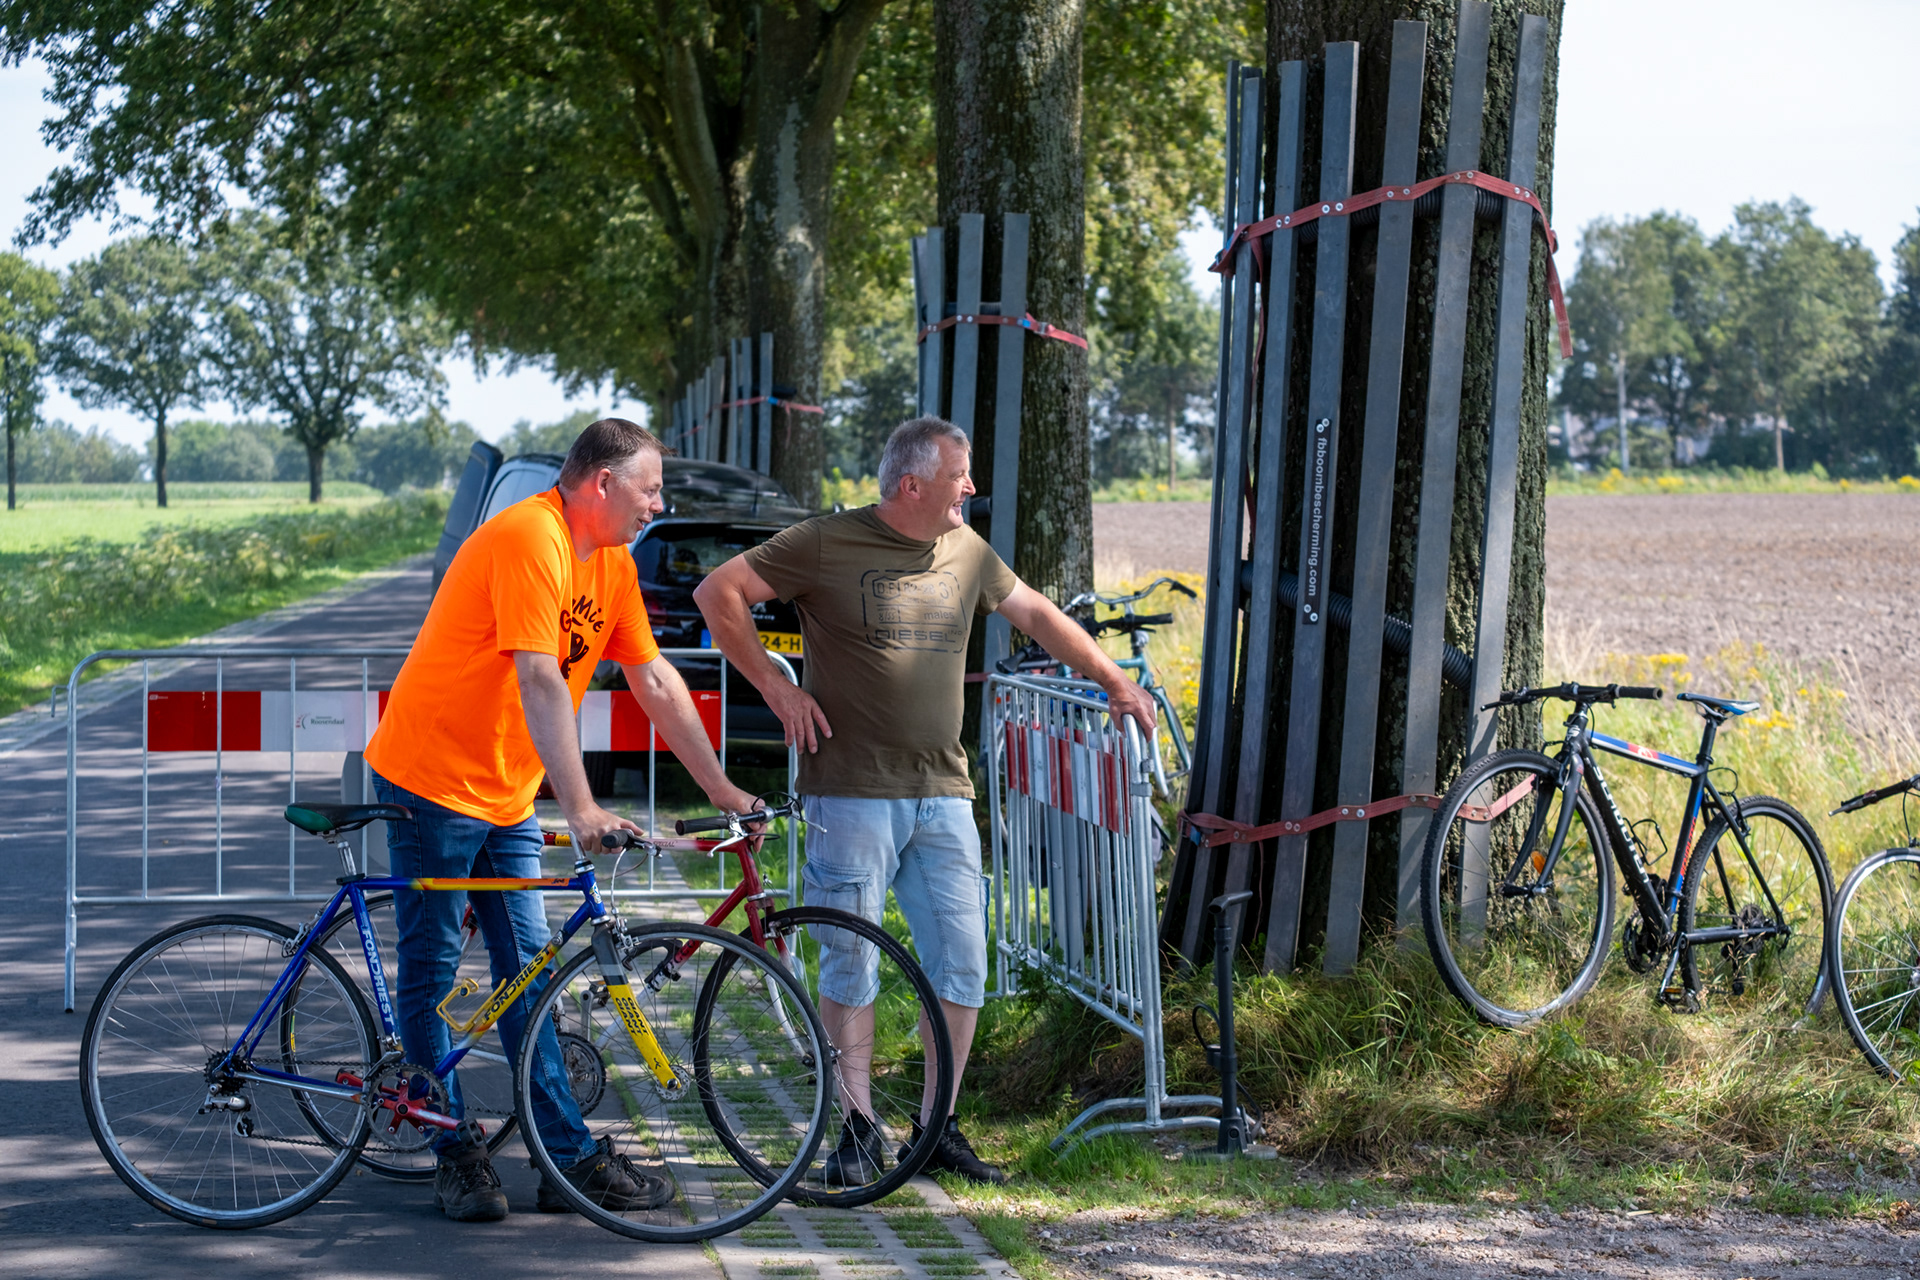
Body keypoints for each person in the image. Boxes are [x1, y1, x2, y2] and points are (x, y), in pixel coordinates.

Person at [693, 415, 1155, 1186]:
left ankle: (934, 1127)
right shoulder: (825, 542)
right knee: (850, 961)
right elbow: (720, 592)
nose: (970, 489)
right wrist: (776, 686)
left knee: (963, 964)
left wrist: (1113, 680)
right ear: (912, 483)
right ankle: (856, 1128)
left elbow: (1035, 612)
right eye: (958, 476)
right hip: (850, 792)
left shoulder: (967, 551)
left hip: (944, 792)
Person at [363, 418, 760, 1222]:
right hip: (432, 782)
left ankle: (564, 1158)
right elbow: (541, 677)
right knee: (436, 970)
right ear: (602, 484)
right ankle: (455, 1150)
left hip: (504, 793)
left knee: (530, 979)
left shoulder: (609, 563)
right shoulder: (528, 538)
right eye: (649, 488)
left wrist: (722, 790)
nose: (660, 503)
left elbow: (653, 681)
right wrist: (578, 807)